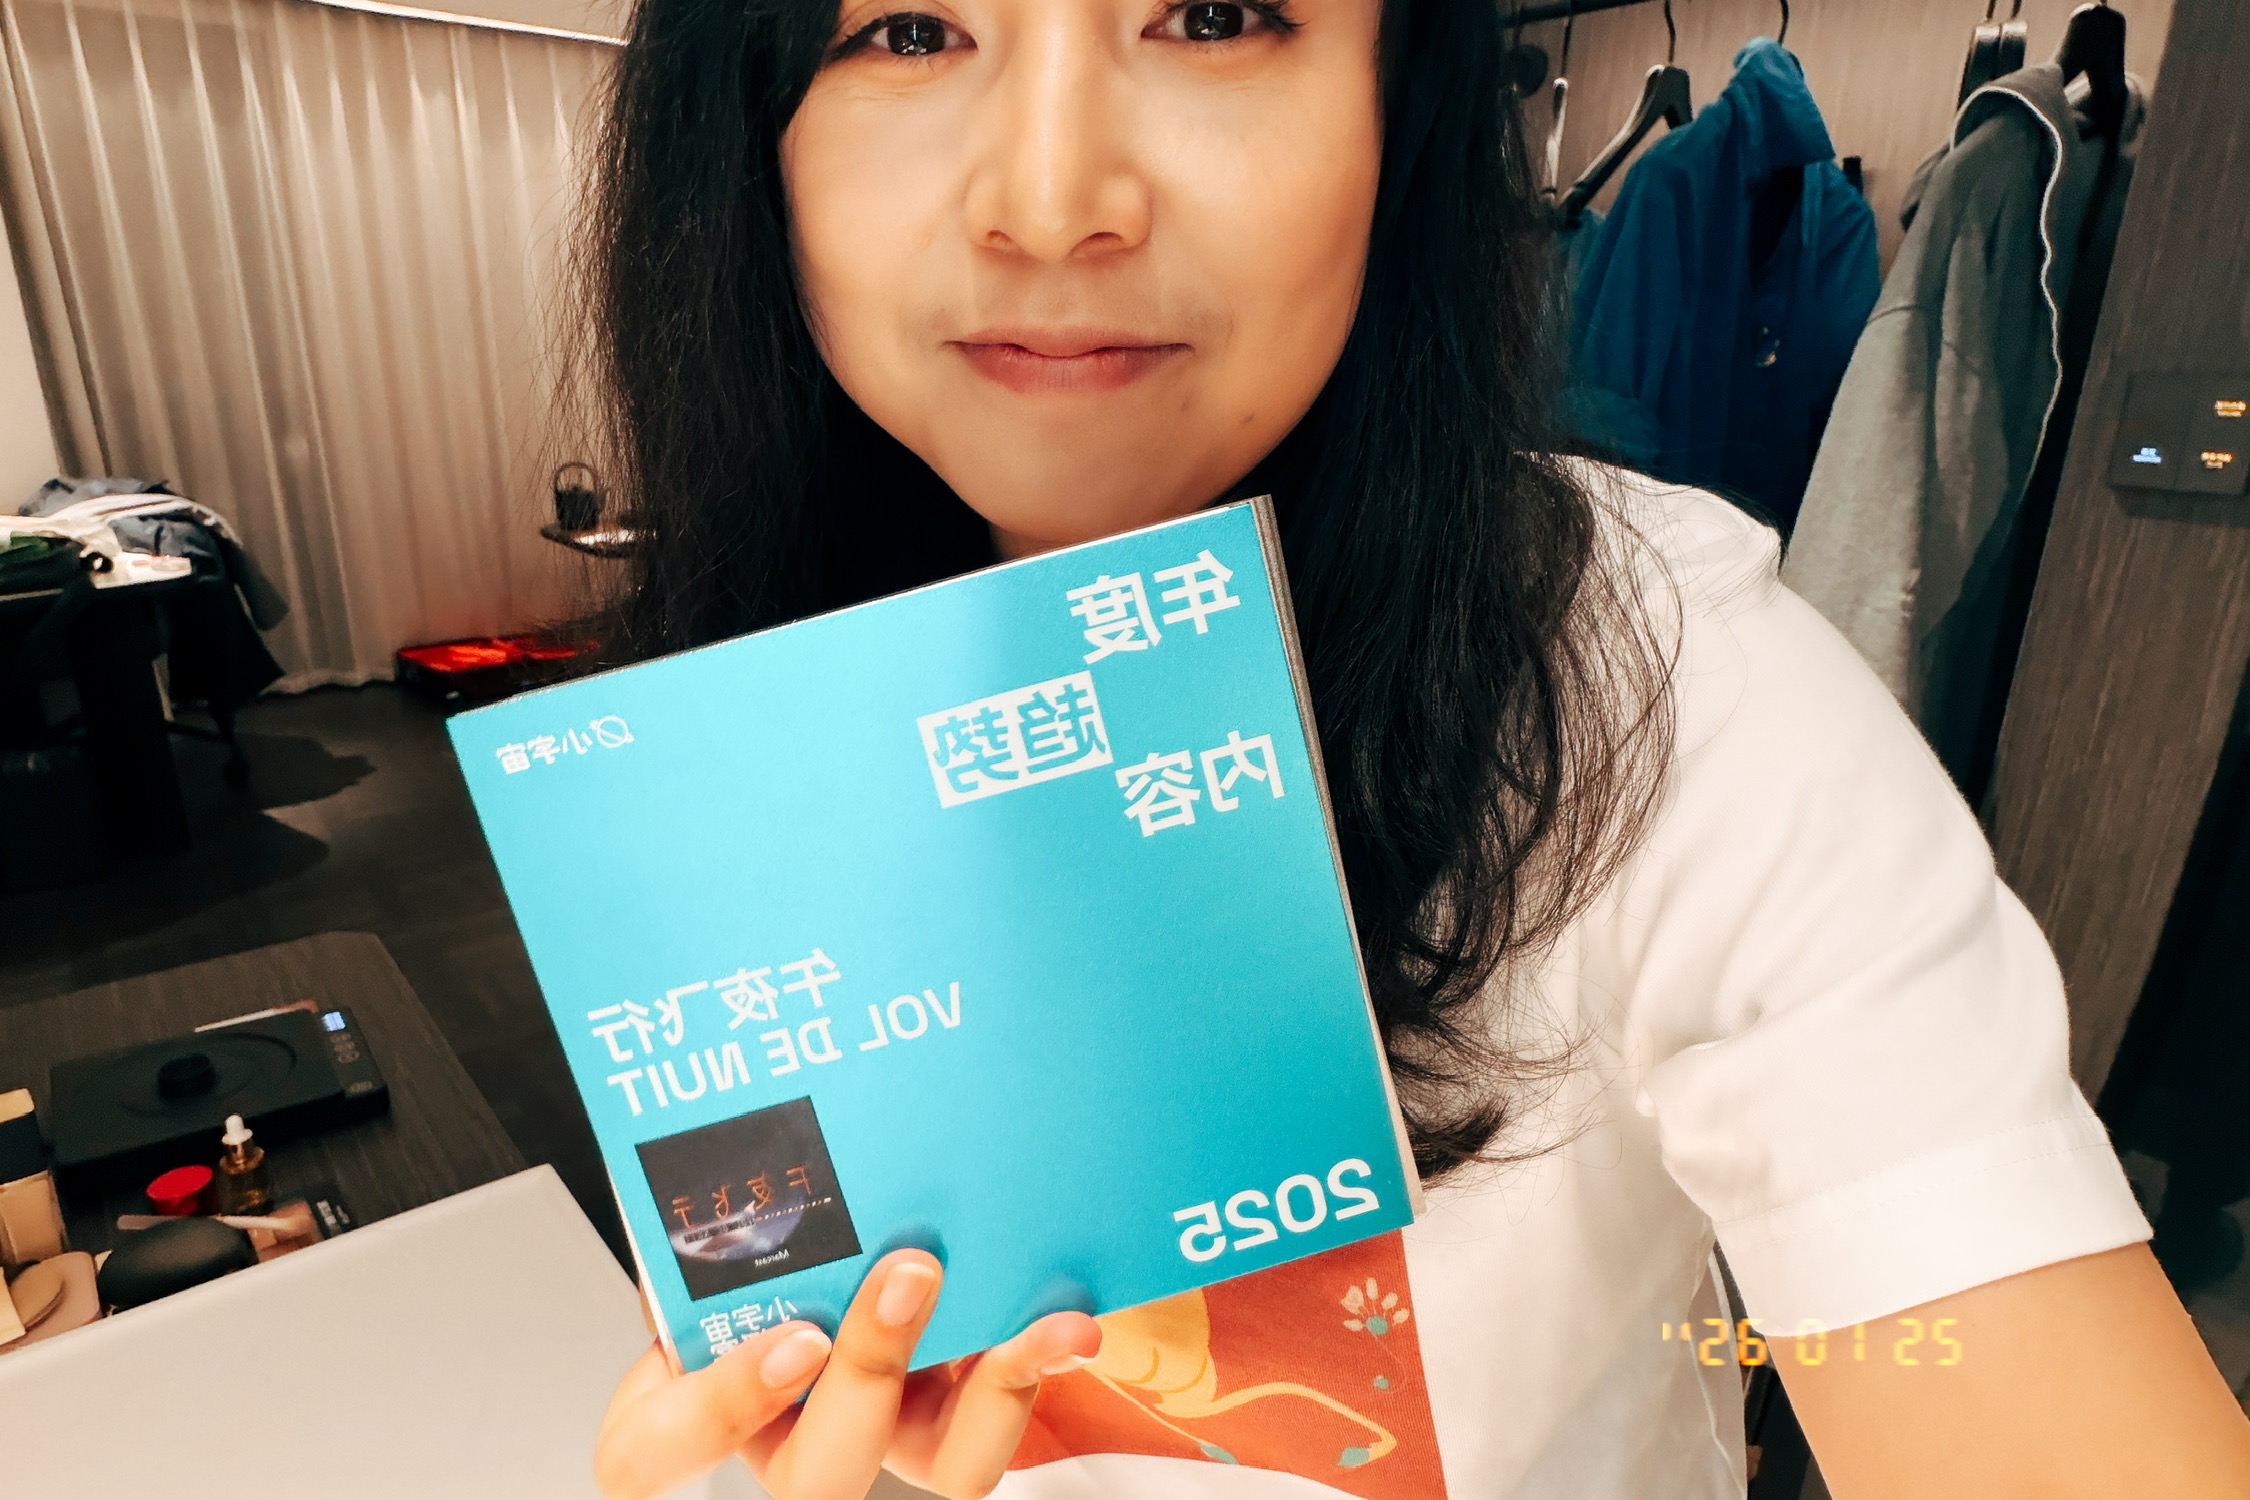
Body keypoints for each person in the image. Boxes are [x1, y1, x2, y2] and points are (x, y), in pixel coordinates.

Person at [575, 0, 2250, 1495]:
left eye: (1212, 15)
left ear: (1401, 97)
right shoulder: (717, 743)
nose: (1053, 201)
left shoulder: (1671, 688)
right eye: (908, 31)